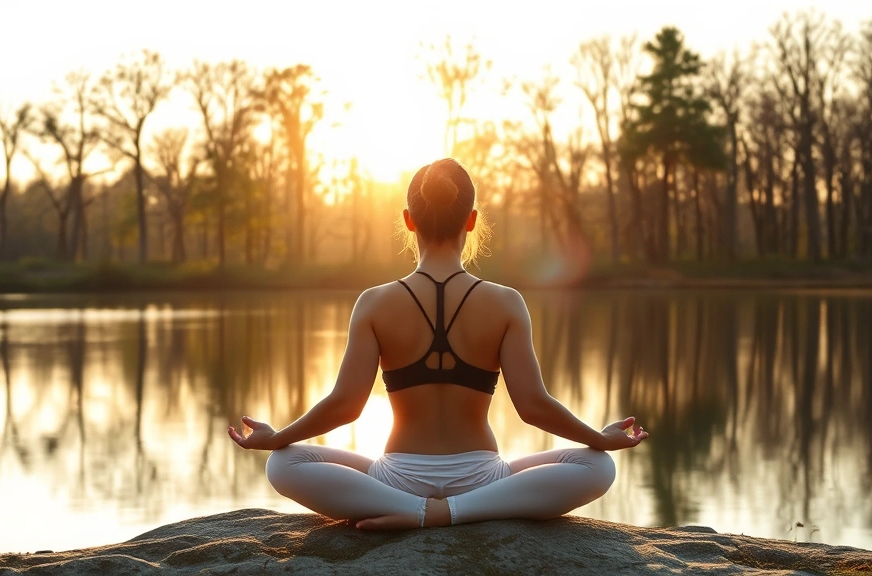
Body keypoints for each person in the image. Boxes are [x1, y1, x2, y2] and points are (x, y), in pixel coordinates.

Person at [228, 158, 648, 530]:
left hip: (395, 479)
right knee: (596, 465)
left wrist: (278, 436)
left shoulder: (374, 302)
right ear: (471, 220)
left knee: (284, 462)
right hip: (484, 478)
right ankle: (462, 511)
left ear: (409, 220)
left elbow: (345, 405)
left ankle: (420, 512)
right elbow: (533, 406)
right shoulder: (505, 302)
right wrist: (600, 437)